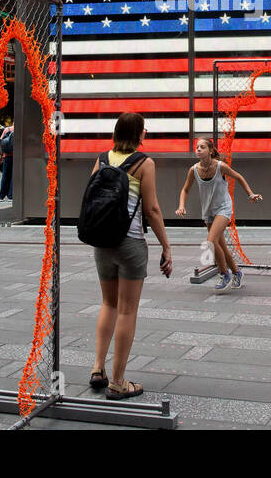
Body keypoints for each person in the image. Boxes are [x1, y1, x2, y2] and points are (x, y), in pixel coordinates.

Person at [89, 113, 172, 400]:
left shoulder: (101, 159)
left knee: (108, 303)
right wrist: (166, 246)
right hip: (131, 242)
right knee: (127, 310)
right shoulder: (144, 163)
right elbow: (152, 210)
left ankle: (98, 369)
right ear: (139, 134)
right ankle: (118, 381)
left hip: (102, 242)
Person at [175, 138, 260, 294]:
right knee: (221, 246)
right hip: (208, 211)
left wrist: (251, 194)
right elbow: (185, 189)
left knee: (211, 241)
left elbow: (239, 177)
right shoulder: (193, 170)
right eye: (197, 147)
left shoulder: (221, 166)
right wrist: (181, 206)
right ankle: (237, 273)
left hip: (223, 208)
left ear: (211, 150)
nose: (198, 149)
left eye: (202, 147)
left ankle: (223, 274)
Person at [0, 123, 14, 200]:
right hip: (16, 156)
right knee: (13, 176)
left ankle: (1, 195)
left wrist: (1, 156)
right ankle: (10, 195)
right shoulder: (20, 130)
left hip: (6, 156)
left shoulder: (7, 129)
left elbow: (1, 143)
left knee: (5, 176)